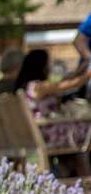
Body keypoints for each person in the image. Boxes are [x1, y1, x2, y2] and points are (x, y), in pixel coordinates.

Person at [14, 49, 91, 177]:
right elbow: (69, 85)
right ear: (41, 66)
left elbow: (61, 83)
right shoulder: (39, 87)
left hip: (40, 132)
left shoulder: (30, 86)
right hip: (46, 134)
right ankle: (85, 178)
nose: (49, 67)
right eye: (48, 64)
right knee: (85, 135)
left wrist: (79, 70)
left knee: (77, 146)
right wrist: (88, 73)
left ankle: (68, 174)